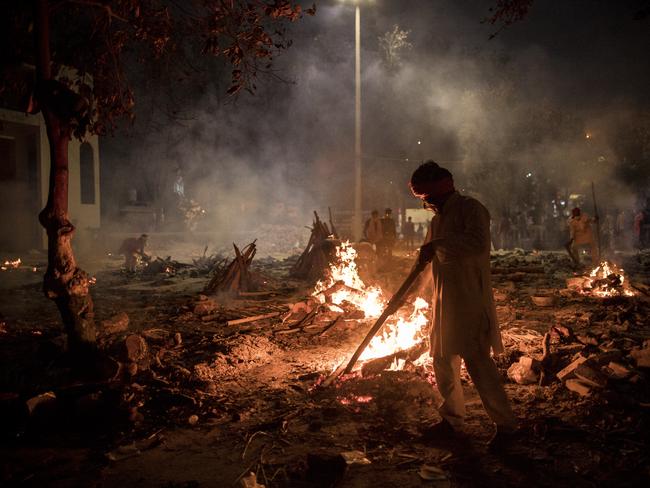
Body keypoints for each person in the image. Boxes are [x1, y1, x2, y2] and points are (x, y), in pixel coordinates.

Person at [409, 160, 517, 449]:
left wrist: (438, 245)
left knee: (478, 362)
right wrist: (419, 292)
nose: (427, 205)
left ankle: (506, 426)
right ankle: (452, 420)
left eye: (428, 199)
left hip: (470, 300)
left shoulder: (472, 210)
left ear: (442, 191)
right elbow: (431, 263)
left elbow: (478, 245)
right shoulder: (437, 220)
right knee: (442, 360)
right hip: (444, 303)